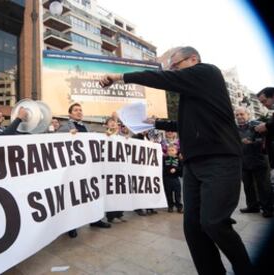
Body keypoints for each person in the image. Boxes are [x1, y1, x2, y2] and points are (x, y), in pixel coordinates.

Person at [100, 46, 253, 274]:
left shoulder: (207, 72)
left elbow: (164, 78)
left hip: (220, 160)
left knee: (214, 222)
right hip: (193, 164)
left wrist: (120, 77)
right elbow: (184, 125)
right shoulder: (193, 96)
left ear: (193, 59)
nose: (173, 70)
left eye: (176, 65)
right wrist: (155, 123)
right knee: (193, 228)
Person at [58, 103, 111, 238]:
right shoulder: (65, 126)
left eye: (80, 110)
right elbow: (56, 139)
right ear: (70, 114)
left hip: (89, 167)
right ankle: (71, 225)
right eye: (76, 110)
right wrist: (68, 135)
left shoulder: (86, 126)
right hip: (74, 168)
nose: (79, 112)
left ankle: (95, 220)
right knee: (74, 196)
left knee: (91, 192)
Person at [235, 107, 273, 218]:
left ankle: (268, 209)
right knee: (248, 186)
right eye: (237, 115)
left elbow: (267, 138)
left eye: (241, 114)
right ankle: (252, 206)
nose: (239, 117)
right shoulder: (234, 129)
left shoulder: (257, 124)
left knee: (264, 186)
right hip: (244, 162)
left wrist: (253, 141)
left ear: (248, 114)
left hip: (259, 160)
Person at [104, 117, 126, 223]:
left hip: (120, 169)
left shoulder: (121, 137)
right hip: (109, 169)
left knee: (120, 192)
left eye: (115, 122)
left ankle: (119, 214)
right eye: (110, 122)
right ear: (106, 125)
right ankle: (110, 216)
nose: (113, 124)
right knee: (111, 193)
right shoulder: (104, 136)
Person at [163, 144, 183, 213]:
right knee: (168, 194)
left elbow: (181, 168)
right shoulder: (164, 159)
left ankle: (179, 207)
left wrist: (176, 169)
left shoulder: (178, 159)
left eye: (172, 150)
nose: (170, 152)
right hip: (167, 179)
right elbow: (162, 168)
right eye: (169, 150)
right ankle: (170, 206)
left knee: (178, 194)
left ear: (176, 151)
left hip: (176, 179)